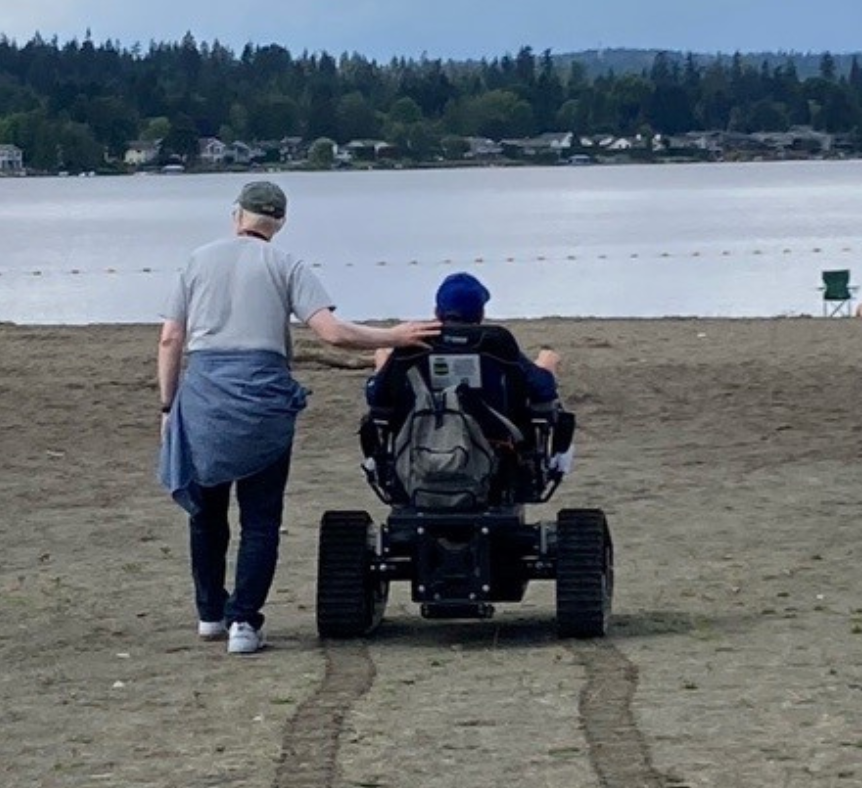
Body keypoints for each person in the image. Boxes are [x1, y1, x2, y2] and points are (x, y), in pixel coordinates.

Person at [157, 181, 439, 654]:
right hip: (263, 398)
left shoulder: (196, 260)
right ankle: (243, 623)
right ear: (281, 223)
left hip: (204, 395)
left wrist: (168, 406)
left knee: (207, 513)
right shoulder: (286, 265)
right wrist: (394, 335)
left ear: (236, 215)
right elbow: (332, 333)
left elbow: (170, 339)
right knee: (261, 518)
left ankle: (209, 613)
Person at [366, 272, 561, 406]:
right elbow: (543, 389)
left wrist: (380, 368)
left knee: (383, 358)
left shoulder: (415, 343)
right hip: (494, 442)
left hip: (421, 447)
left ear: (436, 312)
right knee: (546, 361)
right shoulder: (495, 341)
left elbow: (377, 396)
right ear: (481, 313)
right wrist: (547, 364)